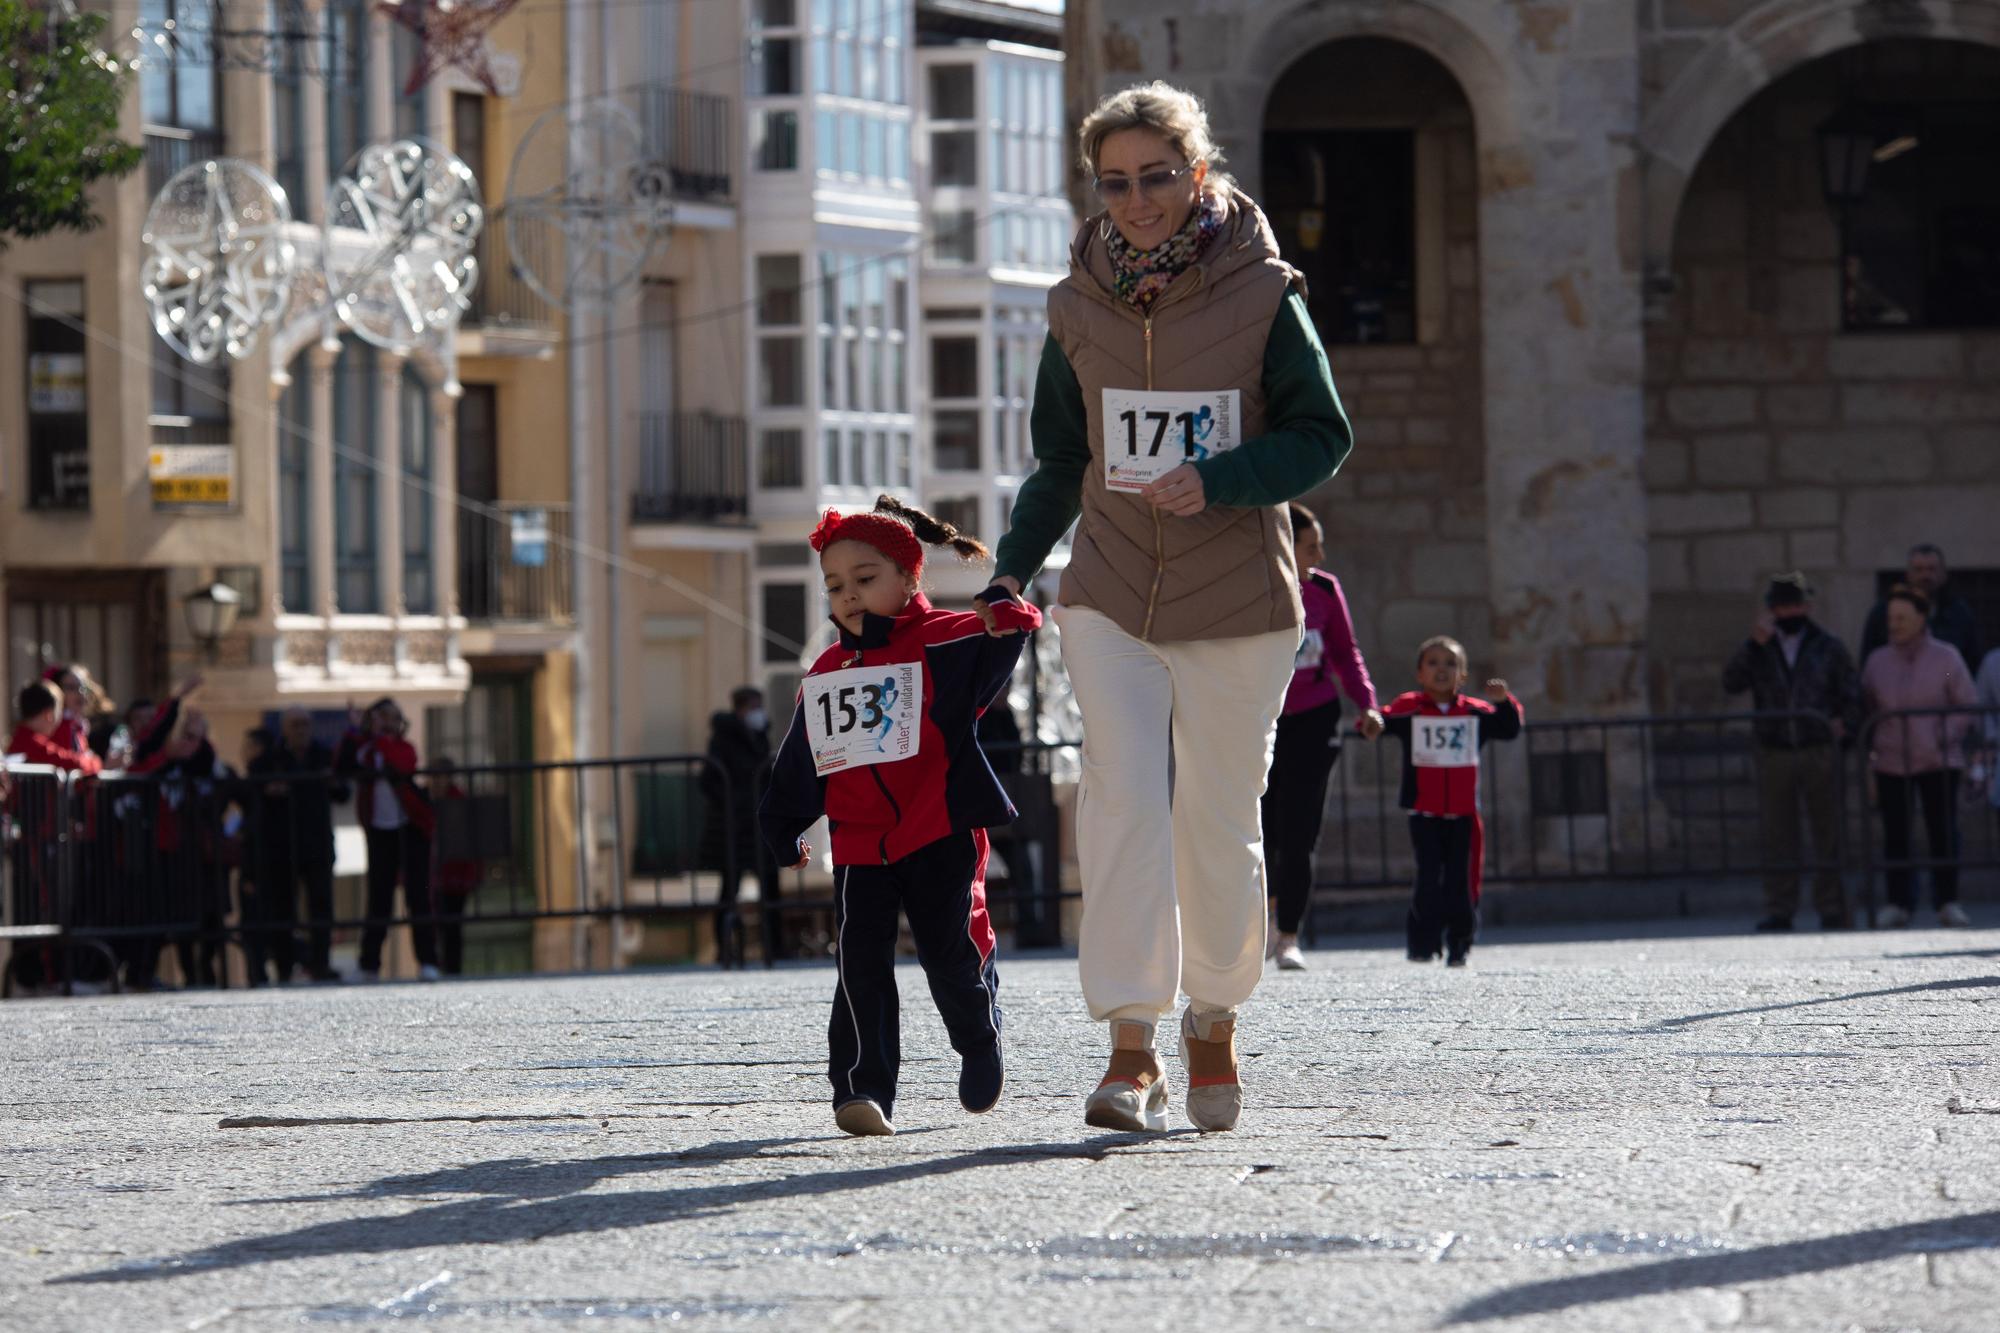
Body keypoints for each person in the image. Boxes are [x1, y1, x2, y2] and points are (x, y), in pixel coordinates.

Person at [980, 82, 1353, 1134]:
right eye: (1114, 182)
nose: (1135, 200)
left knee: (1218, 823)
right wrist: (1011, 568)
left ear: (1196, 175)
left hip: (1237, 594)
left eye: (1155, 177)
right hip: (1106, 590)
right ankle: (1129, 1046)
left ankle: (1214, 1021)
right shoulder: (1073, 302)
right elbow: (1059, 460)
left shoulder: (1265, 291)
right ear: (1093, 190)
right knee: (1122, 806)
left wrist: (1224, 478)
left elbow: (1323, 435)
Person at [761, 496, 1042, 1138]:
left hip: (937, 826)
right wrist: (782, 827)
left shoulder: (943, 640)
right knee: (858, 962)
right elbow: (801, 757)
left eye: (866, 579)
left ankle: (978, 1035)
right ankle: (862, 1088)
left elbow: (1006, 631)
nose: (850, 596)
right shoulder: (826, 672)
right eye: (835, 586)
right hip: (860, 842)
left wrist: (1006, 615)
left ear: (910, 578)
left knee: (948, 954)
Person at [1262, 502, 1382, 971]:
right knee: (1262, 828)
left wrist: (1367, 703)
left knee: (1300, 833)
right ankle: (1262, 923)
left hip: (1315, 721)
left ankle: (1289, 934)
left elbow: (1344, 652)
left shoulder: (1327, 591)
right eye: (1311, 546)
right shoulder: (1255, 589)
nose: (1321, 555)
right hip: (1263, 721)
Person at [1721, 572, 1864, 933]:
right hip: (1775, 751)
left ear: (1807, 606)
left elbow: (1852, 692)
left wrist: (1843, 728)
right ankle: (1780, 909)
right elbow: (1731, 682)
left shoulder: (1828, 645)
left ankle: (1832, 908)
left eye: (1797, 604)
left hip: (1818, 750)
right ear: (1773, 610)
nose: (1791, 611)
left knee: (1829, 832)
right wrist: (1754, 644)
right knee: (1777, 834)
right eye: (1784, 606)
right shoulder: (1760, 648)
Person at [1378, 637, 1524, 967]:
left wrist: (1504, 702)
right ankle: (1422, 944)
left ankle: (1460, 944)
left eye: (1450, 663)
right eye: (1433, 662)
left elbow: (1509, 728)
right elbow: (1380, 722)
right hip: (1425, 813)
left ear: (1463, 675)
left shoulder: (1474, 712)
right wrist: (1370, 722)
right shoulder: (1410, 707)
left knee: (1462, 880)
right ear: (1419, 673)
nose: (1441, 670)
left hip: (1463, 814)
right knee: (1428, 879)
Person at [1862, 584, 1979, 928]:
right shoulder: (1877, 661)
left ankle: (1947, 901)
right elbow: (1867, 708)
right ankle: (1898, 903)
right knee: (1896, 833)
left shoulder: (1945, 659)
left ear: (1921, 617)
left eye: (1902, 617)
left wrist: (1944, 735)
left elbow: (1965, 702)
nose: (1894, 624)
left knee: (1942, 831)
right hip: (1890, 761)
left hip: (1938, 761)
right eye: (1890, 618)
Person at [337, 697, 441, 981]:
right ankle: (369, 964)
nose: (386, 721)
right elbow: (342, 765)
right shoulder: (365, 749)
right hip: (380, 830)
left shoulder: (403, 747)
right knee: (378, 898)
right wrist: (356, 730)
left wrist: (381, 737)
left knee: (417, 896)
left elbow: (402, 764)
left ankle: (428, 961)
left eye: (392, 716)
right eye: (381, 716)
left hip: (410, 827)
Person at [249, 708, 346, 982]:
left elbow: (342, 792)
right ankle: (284, 966)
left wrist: (331, 782)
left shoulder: (324, 756)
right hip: (283, 846)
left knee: (321, 905)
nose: (301, 729)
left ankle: (320, 964)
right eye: (295, 724)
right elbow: (254, 788)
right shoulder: (270, 761)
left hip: (317, 843)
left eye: (305, 724)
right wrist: (270, 791)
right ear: (285, 729)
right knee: (283, 908)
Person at [700, 687, 776, 966]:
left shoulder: (760, 735)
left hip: (758, 824)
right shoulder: (723, 738)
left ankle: (775, 947)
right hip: (733, 827)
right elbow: (710, 780)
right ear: (741, 708)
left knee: (770, 886)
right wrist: (735, 804)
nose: (759, 712)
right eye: (755, 706)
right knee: (729, 890)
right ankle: (724, 948)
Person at [1860, 544, 1980, 670]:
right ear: (1908, 574)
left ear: (1943, 574)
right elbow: (1868, 663)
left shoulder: (1959, 614)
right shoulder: (1883, 612)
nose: (1925, 576)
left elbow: (1971, 663)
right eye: (1919, 569)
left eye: (1931, 569)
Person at [430, 757, 482, 976]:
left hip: (457, 873)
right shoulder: (427, 799)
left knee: (453, 924)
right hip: (435, 874)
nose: (438, 782)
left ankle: (452, 969)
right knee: (436, 924)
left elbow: (470, 840)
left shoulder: (458, 800)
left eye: (442, 777)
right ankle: (437, 965)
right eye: (435, 777)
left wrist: (473, 874)